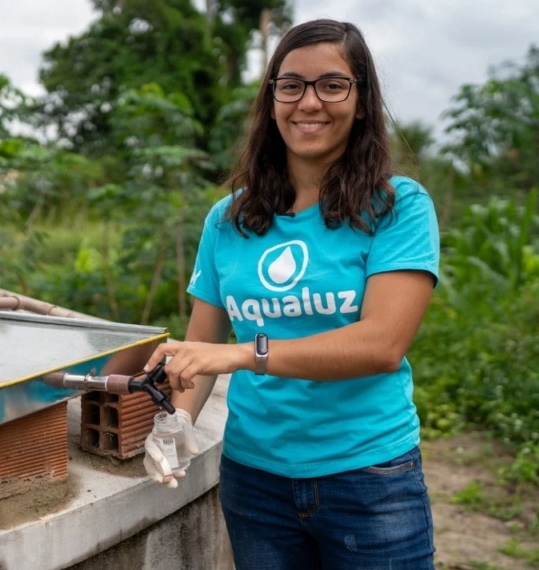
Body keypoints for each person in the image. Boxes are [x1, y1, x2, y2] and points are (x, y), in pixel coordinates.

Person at [141, 18, 440, 569]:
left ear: (362, 101)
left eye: (332, 85)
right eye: (292, 85)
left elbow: (382, 344)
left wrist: (243, 354)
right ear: (272, 98)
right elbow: (202, 346)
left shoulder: (397, 207)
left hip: (368, 477)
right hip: (254, 480)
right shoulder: (228, 219)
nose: (309, 102)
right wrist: (176, 422)